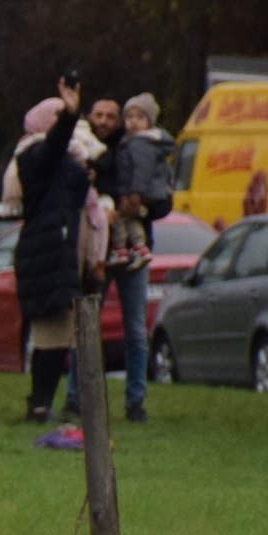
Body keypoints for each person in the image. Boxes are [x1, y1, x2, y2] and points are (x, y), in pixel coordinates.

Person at [5, 78, 105, 423]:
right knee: (51, 333)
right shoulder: (35, 155)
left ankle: (41, 401)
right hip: (46, 253)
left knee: (60, 334)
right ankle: (40, 404)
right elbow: (55, 146)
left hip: (60, 252)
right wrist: (71, 110)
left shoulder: (64, 158)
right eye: (61, 117)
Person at [98, 94, 168, 423]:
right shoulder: (103, 152)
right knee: (86, 323)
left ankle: (135, 400)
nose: (107, 121)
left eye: (112, 116)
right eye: (103, 115)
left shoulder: (142, 147)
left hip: (134, 243)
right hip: (103, 247)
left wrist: (143, 205)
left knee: (136, 330)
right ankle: (78, 396)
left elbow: (164, 196)